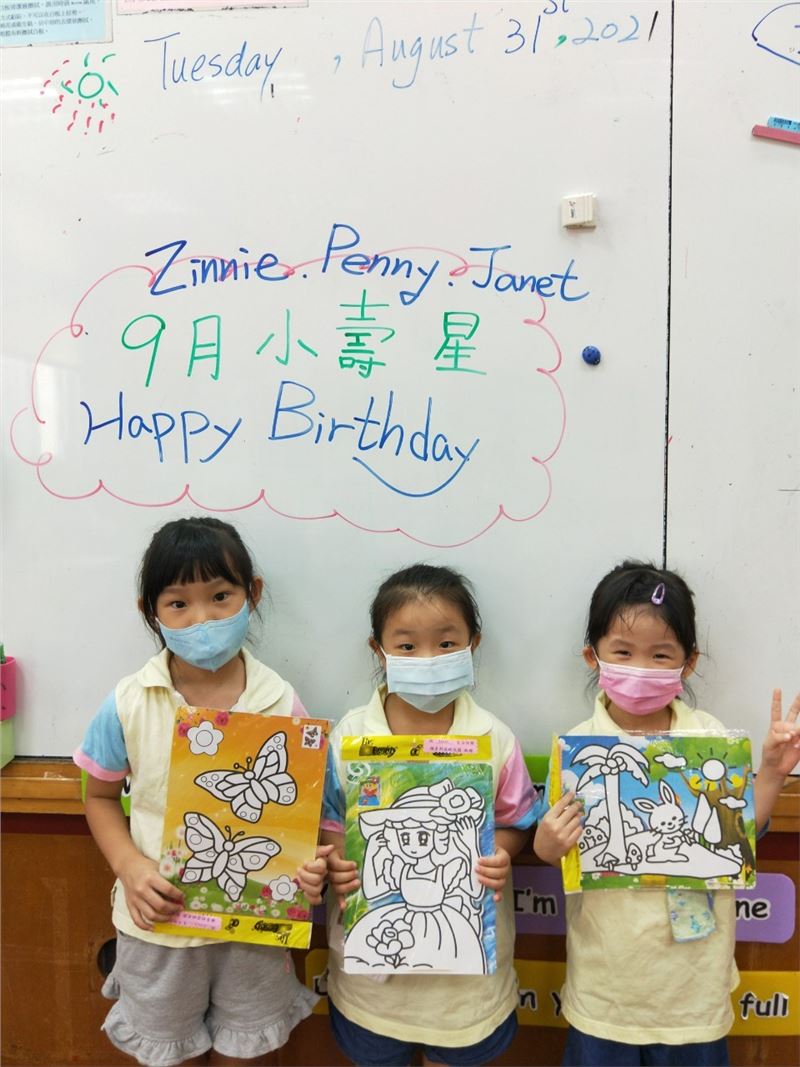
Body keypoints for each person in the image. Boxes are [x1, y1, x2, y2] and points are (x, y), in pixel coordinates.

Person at [74, 517, 329, 1067]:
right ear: (151, 611)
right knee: (168, 1055)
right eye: (178, 603)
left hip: (254, 932)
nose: (202, 618)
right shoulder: (129, 702)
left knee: (249, 1053)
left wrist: (309, 869)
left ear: (251, 594)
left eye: (219, 596)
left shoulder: (281, 702)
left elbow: (300, 817)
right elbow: (98, 797)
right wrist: (129, 866)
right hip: (160, 928)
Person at [533, 560, 800, 1067]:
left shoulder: (710, 739)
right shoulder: (576, 749)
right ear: (593, 656)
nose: (641, 668)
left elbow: (739, 833)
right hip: (605, 989)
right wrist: (548, 843)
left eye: (660, 655)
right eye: (623, 652)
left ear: (688, 662)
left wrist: (770, 771)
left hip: (693, 991)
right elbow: (553, 851)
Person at [321, 563, 537, 1067]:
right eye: (406, 645)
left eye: (446, 643)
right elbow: (330, 823)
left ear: (472, 644)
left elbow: (515, 821)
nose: (428, 658)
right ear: (378, 650)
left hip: (465, 995)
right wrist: (335, 859)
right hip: (372, 991)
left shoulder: (494, 738)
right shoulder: (349, 737)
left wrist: (500, 854)